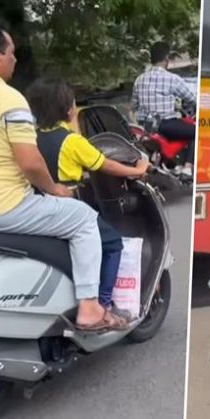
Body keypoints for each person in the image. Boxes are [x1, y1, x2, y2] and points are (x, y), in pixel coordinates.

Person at [0, 19, 125, 332]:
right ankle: (90, 307)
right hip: (3, 209)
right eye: (12, 52)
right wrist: (55, 188)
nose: (15, 59)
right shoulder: (8, 98)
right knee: (83, 218)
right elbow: (30, 163)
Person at [25, 76, 150, 317]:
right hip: (70, 206)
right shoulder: (71, 141)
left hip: (38, 205)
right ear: (69, 110)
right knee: (112, 242)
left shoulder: (30, 140)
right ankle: (103, 305)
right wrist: (138, 170)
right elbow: (106, 165)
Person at [132, 41, 197, 177]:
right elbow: (192, 98)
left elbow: (134, 105)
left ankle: (175, 164)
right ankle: (187, 167)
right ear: (167, 59)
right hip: (166, 125)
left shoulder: (139, 79)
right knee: (197, 131)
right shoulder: (171, 78)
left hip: (145, 127)